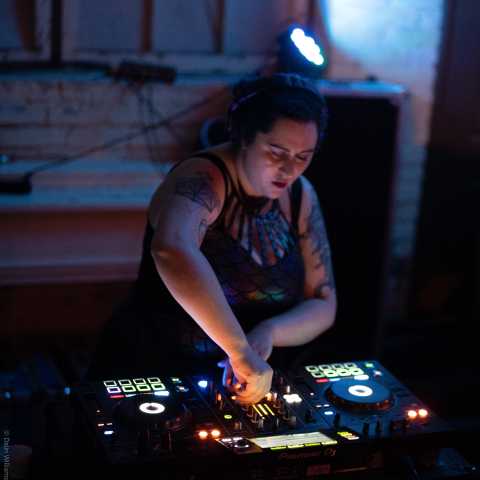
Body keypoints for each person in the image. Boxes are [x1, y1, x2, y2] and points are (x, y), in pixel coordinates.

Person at [86, 73, 336, 405]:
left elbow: (323, 303)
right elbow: (171, 249)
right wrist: (238, 349)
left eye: (303, 156)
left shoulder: (302, 196)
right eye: (276, 152)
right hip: (153, 374)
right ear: (244, 135)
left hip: (241, 387)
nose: (289, 170)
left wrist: (268, 332)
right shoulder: (203, 177)